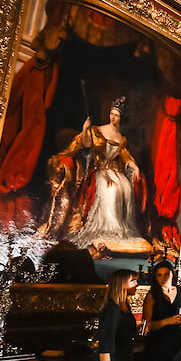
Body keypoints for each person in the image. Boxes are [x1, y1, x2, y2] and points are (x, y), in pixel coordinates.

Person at [41, 96, 149, 255]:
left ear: (121, 118)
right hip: (99, 171)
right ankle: (107, 228)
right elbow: (86, 144)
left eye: (116, 115)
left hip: (115, 171)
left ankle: (121, 229)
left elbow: (125, 156)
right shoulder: (98, 131)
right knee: (111, 190)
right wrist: (85, 129)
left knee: (126, 188)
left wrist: (135, 167)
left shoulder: (121, 138)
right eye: (112, 114)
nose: (113, 117)